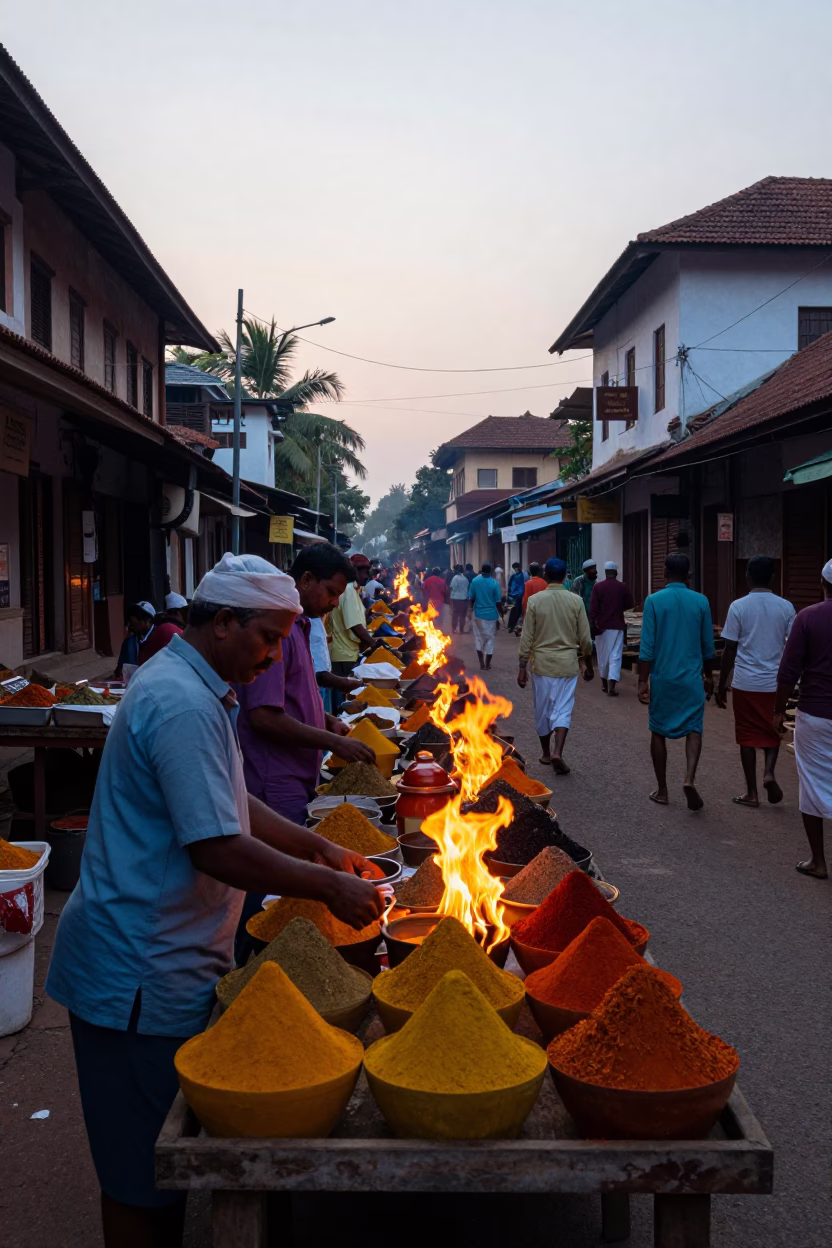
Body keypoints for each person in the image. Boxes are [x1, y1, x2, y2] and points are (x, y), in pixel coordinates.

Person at [46, 553, 383, 1248]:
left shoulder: (201, 689)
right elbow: (215, 847)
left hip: (173, 955)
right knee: (141, 1177)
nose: (274, 656)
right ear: (223, 621)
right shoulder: (179, 702)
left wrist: (316, 846)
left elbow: (234, 801)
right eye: (267, 637)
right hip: (137, 970)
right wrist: (330, 885)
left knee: (164, 1161)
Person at [234, 545, 376, 960]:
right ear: (306, 580)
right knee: (264, 892)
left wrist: (326, 722)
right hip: (272, 781)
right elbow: (264, 715)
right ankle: (252, 967)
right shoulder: (277, 634)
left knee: (276, 887)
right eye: (330, 593)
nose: (334, 603)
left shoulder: (301, 628)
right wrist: (334, 742)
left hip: (296, 779)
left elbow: (296, 697)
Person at [715, 556, 795, 808]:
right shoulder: (786, 607)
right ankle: (769, 772)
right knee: (773, 730)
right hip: (774, 683)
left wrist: (721, 685)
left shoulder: (738, 606)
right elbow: (792, 647)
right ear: (772, 577)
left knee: (747, 737)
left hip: (745, 682)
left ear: (747, 577)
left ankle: (751, 792)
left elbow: (729, 648)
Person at [638, 553, 715, 811]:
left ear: (664, 572)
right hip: (691, 679)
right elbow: (708, 647)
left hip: (664, 678)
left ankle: (662, 790)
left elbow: (646, 647)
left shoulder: (654, 601)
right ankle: (689, 778)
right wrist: (708, 676)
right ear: (689, 575)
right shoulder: (701, 602)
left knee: (658, 730)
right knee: (694, 728)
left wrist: (642, 681)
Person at [773, 559, 832, 880]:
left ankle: (819, 861)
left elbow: (788, 670)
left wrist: (778, 711)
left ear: (824, 584)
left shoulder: (808, 618)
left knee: (812, 783)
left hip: (817, 714)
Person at [517, 557, 593, 774]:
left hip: (541, 665)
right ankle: (558, 751)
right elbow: (585, 639)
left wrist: (522, 666)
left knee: (542, 710)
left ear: (546, 575)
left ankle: (546, 754)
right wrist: (586, 662)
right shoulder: (575, 601)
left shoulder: (535, 601)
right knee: (563, 709)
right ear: (565, 575)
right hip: (567, 664)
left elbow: (527, 637)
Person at [326, 554, 374, 710]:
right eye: (361, 571)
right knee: (343, 703)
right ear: (353, 571)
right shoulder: (347, 590)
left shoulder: (354, 590)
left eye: (367, 571)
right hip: (343, 656)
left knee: (342, 699)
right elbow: (355, 625)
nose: (365, 575)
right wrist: (374, 644)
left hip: (347, 653)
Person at [590, 561, 635, 696]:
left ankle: (604, 684)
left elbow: (593, 608)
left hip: (601, 627)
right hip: (617, 626)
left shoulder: (598, 587)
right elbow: (629, 604)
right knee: (615, 656)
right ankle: (612, 686)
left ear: (605, 572)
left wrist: (594, 623)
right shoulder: (623, 587)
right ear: (615, 573)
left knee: (603, 656)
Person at [467, 562, 503, 669]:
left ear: (481, 570)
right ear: (491, 571)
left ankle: (481, 664)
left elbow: (471, 598)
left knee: (479, 638)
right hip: (492, 616)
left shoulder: (475, 581)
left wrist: (470, 610)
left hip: (478, 615)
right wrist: (501, 613)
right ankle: (487, 664)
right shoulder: (494, 583)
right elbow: (498, 602)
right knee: (490, 639)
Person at [507, 562, 528, 633]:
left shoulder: (515, 575)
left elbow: (509, 585)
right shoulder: (525, 574)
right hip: (520, 596)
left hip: (514, 596)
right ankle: (512, 626)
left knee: (514, 611)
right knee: (518, 611)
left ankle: (511, 626)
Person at [450, 563, 471, 634]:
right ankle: (461, 629)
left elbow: (453, 587)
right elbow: (467, 588)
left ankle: (454, 629)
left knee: (455, 614)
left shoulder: (455, 578)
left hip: (456, 598)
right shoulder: (465, 579)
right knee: (463, 615)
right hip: (464, 598)